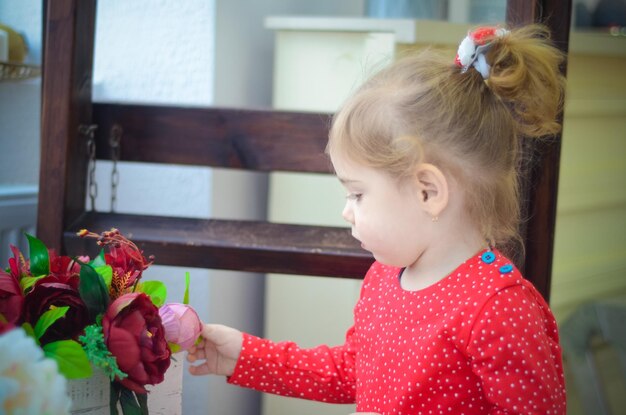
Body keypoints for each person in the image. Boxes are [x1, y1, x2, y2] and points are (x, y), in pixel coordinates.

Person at [187, 24, 567, 415]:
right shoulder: (385, 277)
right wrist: (244, 357)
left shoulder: (500, 311)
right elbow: (351, 372)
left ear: (428, 192)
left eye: (358, 194)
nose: (346, 210)